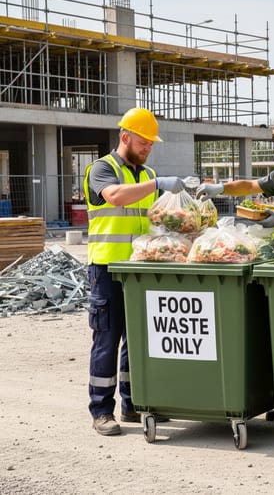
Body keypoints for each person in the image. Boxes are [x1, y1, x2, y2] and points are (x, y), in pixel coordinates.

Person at [84, 107, 185, 436]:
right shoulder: (103, 168)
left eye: (151, 145)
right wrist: (158, 183)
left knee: (137, 341)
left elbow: (160, 218)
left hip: (140, 270)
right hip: (108, 267)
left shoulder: (145, 174)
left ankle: (132, 403)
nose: (148, 148)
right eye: (144, 142)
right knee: (107, 340)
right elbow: (113, 197)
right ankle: (101, 410)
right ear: (125, 137)